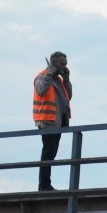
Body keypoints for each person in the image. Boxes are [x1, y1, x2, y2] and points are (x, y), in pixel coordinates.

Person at [33, 51, 72, 191]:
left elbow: (69, 97)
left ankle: (45, 185)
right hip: (47, 121)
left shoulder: (59, 80)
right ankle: (44, 186)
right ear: (54, 63)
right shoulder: (43, 76)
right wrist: (50, 73)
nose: (65, 67)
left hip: (58, 122)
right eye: (62, 64)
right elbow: (41, 91)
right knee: (48, 153)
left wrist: (66, 79)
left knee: (51, 154)